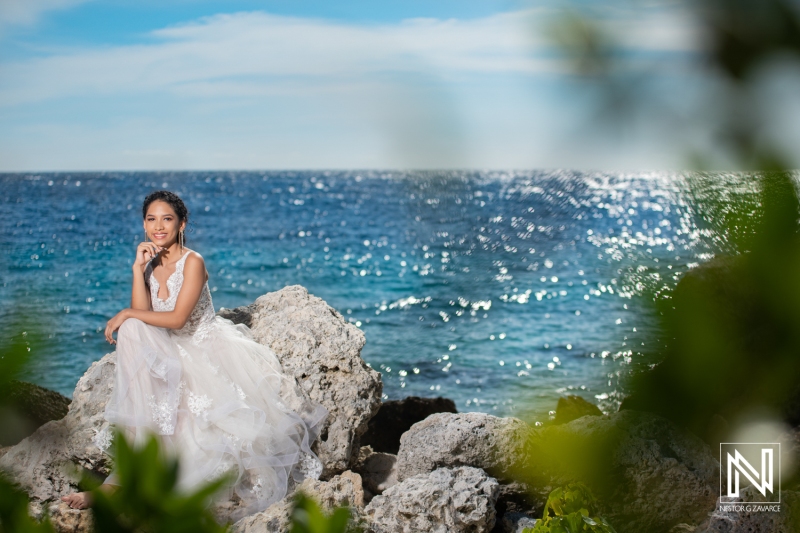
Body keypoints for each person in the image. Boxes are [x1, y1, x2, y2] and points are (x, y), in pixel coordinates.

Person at [61, 191, 328, 520]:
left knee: (131, 328)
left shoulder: (193, 262)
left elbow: (176, 320)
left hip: (200, 350)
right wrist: (136, 269)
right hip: (168, 349)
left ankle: (123, 484)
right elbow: (143, 315)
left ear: (182, 223)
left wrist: (127, 312)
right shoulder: (149, 265)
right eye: (151, 219)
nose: (158, 226)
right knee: (132, 331)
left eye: (167, 219)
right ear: (144, 224)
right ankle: (122, 479)